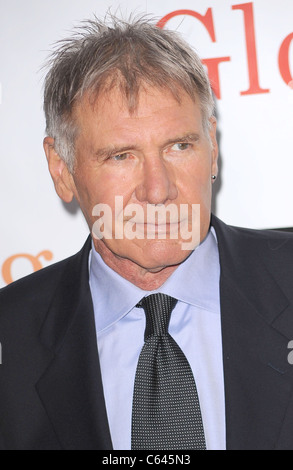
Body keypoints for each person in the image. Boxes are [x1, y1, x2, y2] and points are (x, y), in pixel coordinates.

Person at [1, 14, 293, 451]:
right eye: (121, 156)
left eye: (179, 145)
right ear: (61, 170)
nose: (159, 190)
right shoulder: (12, 336)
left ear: (211, 147)